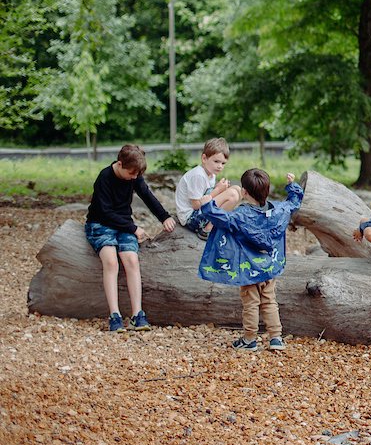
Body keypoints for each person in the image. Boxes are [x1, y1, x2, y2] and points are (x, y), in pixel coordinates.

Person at [196, 168, 304, 351]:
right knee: (269, 300)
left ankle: (249, 339)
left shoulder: (240, 216)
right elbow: (294, 203)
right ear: (267, 191)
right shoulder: (280, 211)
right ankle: (276, 337)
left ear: (244, 192)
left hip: (248, 270)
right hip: (270, 266)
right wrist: (292, 186)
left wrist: (207, 204)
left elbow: (219, 217)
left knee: (251, 303)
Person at [84, 144, 177, 332]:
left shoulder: (134, 175)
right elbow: (104, 211)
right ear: (120, 164)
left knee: (131, 260)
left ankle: (137, 314)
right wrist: (134, 228)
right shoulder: (104, 177)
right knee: (111, 262)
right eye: (132, 174)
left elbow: (148, 196)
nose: (134, 178)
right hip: (101, 224)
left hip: (124, 225)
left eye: (137, 175)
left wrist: (164, 216)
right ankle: (115, 315)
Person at [173, 137, 234, 240]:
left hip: (200, 212)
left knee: (236, 190)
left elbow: (207, 196)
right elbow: (196, 205)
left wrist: (219, 190)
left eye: (223, 163)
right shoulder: (198, 175)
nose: (220, 166)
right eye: (216, 161)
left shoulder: (211, 174)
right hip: (190, 218)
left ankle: (213, 227)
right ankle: (206, 231)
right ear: (204, 158)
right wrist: (218, 190)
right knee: (231, 194)